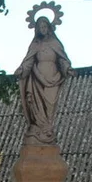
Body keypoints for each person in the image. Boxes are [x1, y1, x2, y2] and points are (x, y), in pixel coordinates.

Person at [14, 15, 74, 146]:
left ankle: (47, 130)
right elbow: (29, 61)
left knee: (50, 105)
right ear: (37, 29)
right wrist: (22, 69)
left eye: (45, 26)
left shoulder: (55, 43)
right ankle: (39, 131)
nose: (43, 29)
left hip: (53, 77)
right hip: (37, 78)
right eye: (40, 27)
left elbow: (62, 59)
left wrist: (67, 68)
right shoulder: (35, 45)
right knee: (36, 106)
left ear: (49, 27)